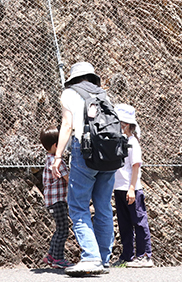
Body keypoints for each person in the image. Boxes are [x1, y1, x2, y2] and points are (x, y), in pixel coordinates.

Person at [51, 62, 115, 276]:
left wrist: (58, 156)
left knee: (78, 206)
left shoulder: (69, 93)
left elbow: (67, 125)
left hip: (85, 151)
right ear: (91, 77)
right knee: (104, 206)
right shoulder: (104, 94)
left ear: (73, 78)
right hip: (109, 153)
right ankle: (104, 259)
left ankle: (91, 257)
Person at [112, 104, 154, 268]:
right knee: (124, 223)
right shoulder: (119, 142)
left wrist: (131, 188)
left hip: (132, 189)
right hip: (119, 188)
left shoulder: (132, 142)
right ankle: (127, 256)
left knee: (139, 221)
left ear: (127, 125)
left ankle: (145, 256)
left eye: (119, 124)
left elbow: (135, 166)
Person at [40, 128, 74, 269]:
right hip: (57, 201)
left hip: (52, 201)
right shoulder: (57, 161)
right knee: (63, 230)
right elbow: (68, 179)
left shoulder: (49, 159)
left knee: (60, 228)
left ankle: (51, 256)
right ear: (56, 145)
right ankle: (58, 258)